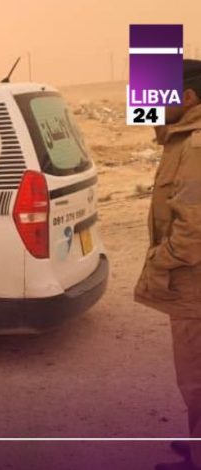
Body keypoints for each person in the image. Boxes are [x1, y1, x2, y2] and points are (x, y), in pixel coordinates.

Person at [135, 59, 201, 470]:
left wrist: (159, 263)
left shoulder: (195, 147)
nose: (152, 106)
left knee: (196, 379)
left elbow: (194, 230)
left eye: (162, 98)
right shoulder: (181, 138)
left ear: (189, 98)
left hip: (194, 284)